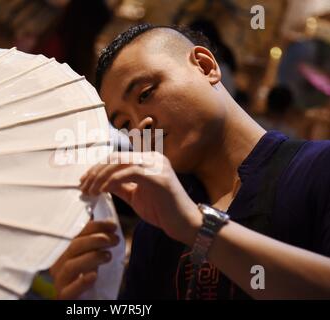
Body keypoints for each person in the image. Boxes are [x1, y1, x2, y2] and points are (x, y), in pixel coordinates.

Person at [49, 24, 330, 300]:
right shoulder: (156, 225)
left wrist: (199, 228)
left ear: (205, 66)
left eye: (146, 94)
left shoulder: (317, 167)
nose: (140, 125)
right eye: (123, 123)